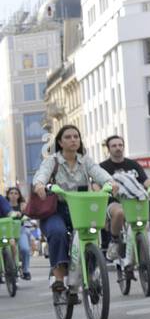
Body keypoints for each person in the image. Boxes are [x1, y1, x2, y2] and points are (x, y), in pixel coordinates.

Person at [31, 125, 114, 292]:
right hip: (56, 210)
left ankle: (90, 269)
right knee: (58, 233)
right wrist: (40, 185)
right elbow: (41, 174)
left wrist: (110, 182)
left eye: (76, 136)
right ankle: (59, 277)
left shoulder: (86, 161)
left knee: (91, 232)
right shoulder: (52, 161)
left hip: (81, 208)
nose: (73, 140)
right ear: (60, 142)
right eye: (68, 137)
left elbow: (99, 173)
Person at [99, 135, 150, 261]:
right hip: (114, 202)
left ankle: (145, 265)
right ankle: (115, 241)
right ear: (108, 149)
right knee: (120, 212)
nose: (118, 148)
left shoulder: (133, 164)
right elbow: (95, 185)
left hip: (134, 202)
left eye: (120, 145)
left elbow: (145, 180)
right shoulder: (103, 167)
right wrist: (101, 191)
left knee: (143, 226)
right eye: (114, 146)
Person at [4, 186, 33, 279]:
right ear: (7, 195)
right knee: (5, 249)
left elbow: (28, 216)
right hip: (6, 231)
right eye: (11, 193)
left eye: (16, 193)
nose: (13, 195)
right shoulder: (4, 206)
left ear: (19, 195)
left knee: (25, 249)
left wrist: (26, 216)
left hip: (20, 230)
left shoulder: (22, 206)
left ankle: (25, 271)